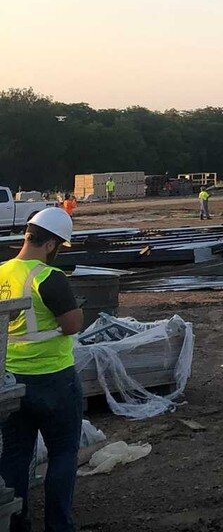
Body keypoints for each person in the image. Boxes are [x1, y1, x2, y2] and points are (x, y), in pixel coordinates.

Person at [0, 209, 83, 532]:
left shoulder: (2, 272)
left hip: (10, 380)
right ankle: (58, 526)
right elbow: (72, 324)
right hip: (53, 378)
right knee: (63, 453)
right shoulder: (48, 277)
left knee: (15, 456)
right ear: (51, 245)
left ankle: (16, 523)